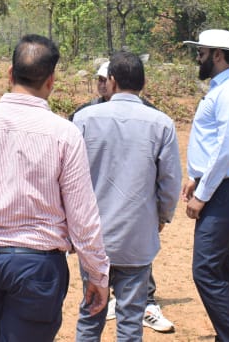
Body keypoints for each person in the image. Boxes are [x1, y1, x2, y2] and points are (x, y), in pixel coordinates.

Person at [0, 34, 110, 341]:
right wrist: (97, 273)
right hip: (38, 266)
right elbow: (82, 216)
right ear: (51, 80)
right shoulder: (64, 134)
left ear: (10, 74)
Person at [73, 51, 182, 341]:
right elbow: (170, 184)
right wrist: (161, 217)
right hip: (137, 235)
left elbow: (68, 178)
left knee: (90, 313)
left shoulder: (84, 119)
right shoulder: (161, 123)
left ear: (112, 80)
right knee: (131, 320)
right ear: (142, 83)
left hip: (94, 236)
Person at [180, 29, 229, 342]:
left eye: (201, 52)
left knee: (205, 269)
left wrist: (202, 193)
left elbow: (226, 148)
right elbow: (213, 143)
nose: (198, 58)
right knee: (221, 266)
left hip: (225, 189)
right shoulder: (222, 89)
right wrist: (196, 176)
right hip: (219, 186)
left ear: (218, 55)